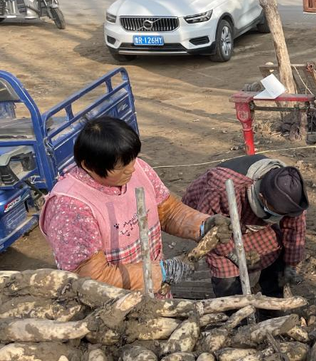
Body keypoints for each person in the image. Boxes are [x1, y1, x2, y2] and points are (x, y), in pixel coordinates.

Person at [40, 118, 231, 292]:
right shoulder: (70, 207)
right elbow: (92, 278)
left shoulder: (137, 168)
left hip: (152, 289)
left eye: (132, 160)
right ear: (89, 166)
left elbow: (168, 211)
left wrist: (202, 225)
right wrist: (162, 273)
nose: (131, 169)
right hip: (112, 306)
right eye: (120, 167)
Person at [182, 154, 308, 298]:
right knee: (227, 277)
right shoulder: (220, 188)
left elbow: (295, 230)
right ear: (262, 198)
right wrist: (233, 253)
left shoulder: (290, 189)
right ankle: (234, 313)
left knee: (274, 253)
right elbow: (211, 231)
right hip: (214, 216)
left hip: (248, 218)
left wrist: (290, 264)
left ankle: (272, 304)